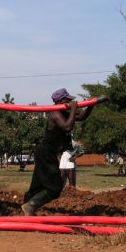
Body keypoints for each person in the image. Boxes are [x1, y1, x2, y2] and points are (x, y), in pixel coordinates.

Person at [22, 88, 106, 216]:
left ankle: (27, 204)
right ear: (61, 101)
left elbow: (80, 117)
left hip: (47, 153)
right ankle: (31, 206)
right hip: (45, 153)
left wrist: (89, 106)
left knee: (39, 183)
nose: (71, 101)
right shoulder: (55, 114)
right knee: (55, 187)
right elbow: (67, 127)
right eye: (68, 100)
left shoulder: (63, 113)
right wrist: (73, 109)